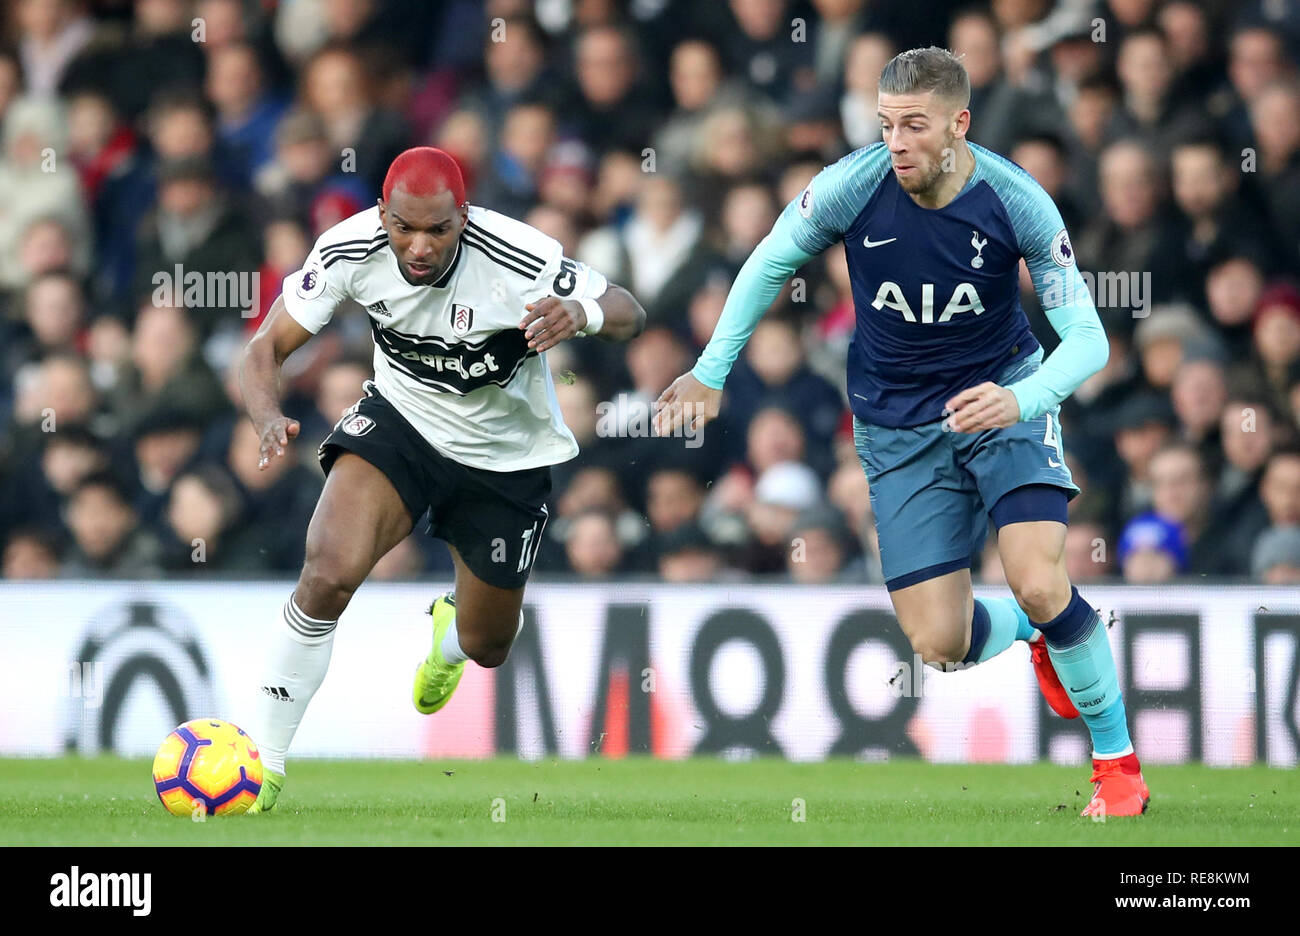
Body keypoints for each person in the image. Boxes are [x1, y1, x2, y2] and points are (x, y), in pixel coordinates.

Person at [656, 48, 1148, 817]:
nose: (897, 142)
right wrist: (712, 372)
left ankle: (1117, 769)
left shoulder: (1016, 200)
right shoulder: (853, 185)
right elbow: (768, 260)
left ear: (960, 124)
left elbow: (1088, 338)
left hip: (1002, 398)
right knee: (938, 646)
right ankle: (1030, 630)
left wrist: (1026, 401)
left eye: (915, 125)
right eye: (886, 124)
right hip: (896, 425)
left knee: (1042, 575)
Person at [239, 146, 645, 812]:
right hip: (401, 425)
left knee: (489, 646)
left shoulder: (518, 255)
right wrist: (265, 414)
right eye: (403, 227)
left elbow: (629, 310)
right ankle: (264, 763)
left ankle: (448, 639)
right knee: (328, 568)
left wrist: (584, 314)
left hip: (504, 458)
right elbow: (266, 348)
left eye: (437, 229)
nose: (418, 245)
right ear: (382, 214)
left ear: (465, 217)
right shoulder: (347, 250)